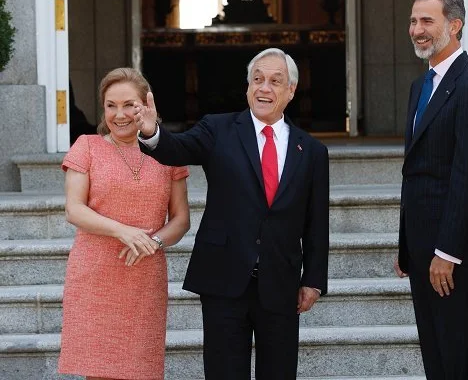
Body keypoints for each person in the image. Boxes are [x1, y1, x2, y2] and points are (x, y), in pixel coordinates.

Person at [134, 47, 330, 379]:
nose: (264, 88)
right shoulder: (218, 129)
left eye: (274, 81)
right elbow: (176, 149)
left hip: (280, 283)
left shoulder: (311, 151)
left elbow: (316, 223)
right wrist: (152, 132)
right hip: (224, 278)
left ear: (291, 90)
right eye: (257, 80)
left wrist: (313, 280)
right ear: (248, 87)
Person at [393, 0, 468, 379]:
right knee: (435, 355)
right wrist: (409, 242)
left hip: (457, 252)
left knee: (459, 353)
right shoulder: (420, 86)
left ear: (454, 25)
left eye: (426, 21)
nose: (416, 29)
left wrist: (447, 252)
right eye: (412, 20)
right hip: (424, 245)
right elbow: (418, 172)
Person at [58, 67, 191, 380]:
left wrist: (153, 241)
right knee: (98, 370)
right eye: (110, 105)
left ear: (146, 104)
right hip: (95, 273)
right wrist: (123, 230)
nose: (119, 115)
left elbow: (181, 219)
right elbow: (74, 209)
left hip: (144, 274)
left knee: (142, 369)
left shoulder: (170, 152)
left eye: (129, 105)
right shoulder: (87, 146)